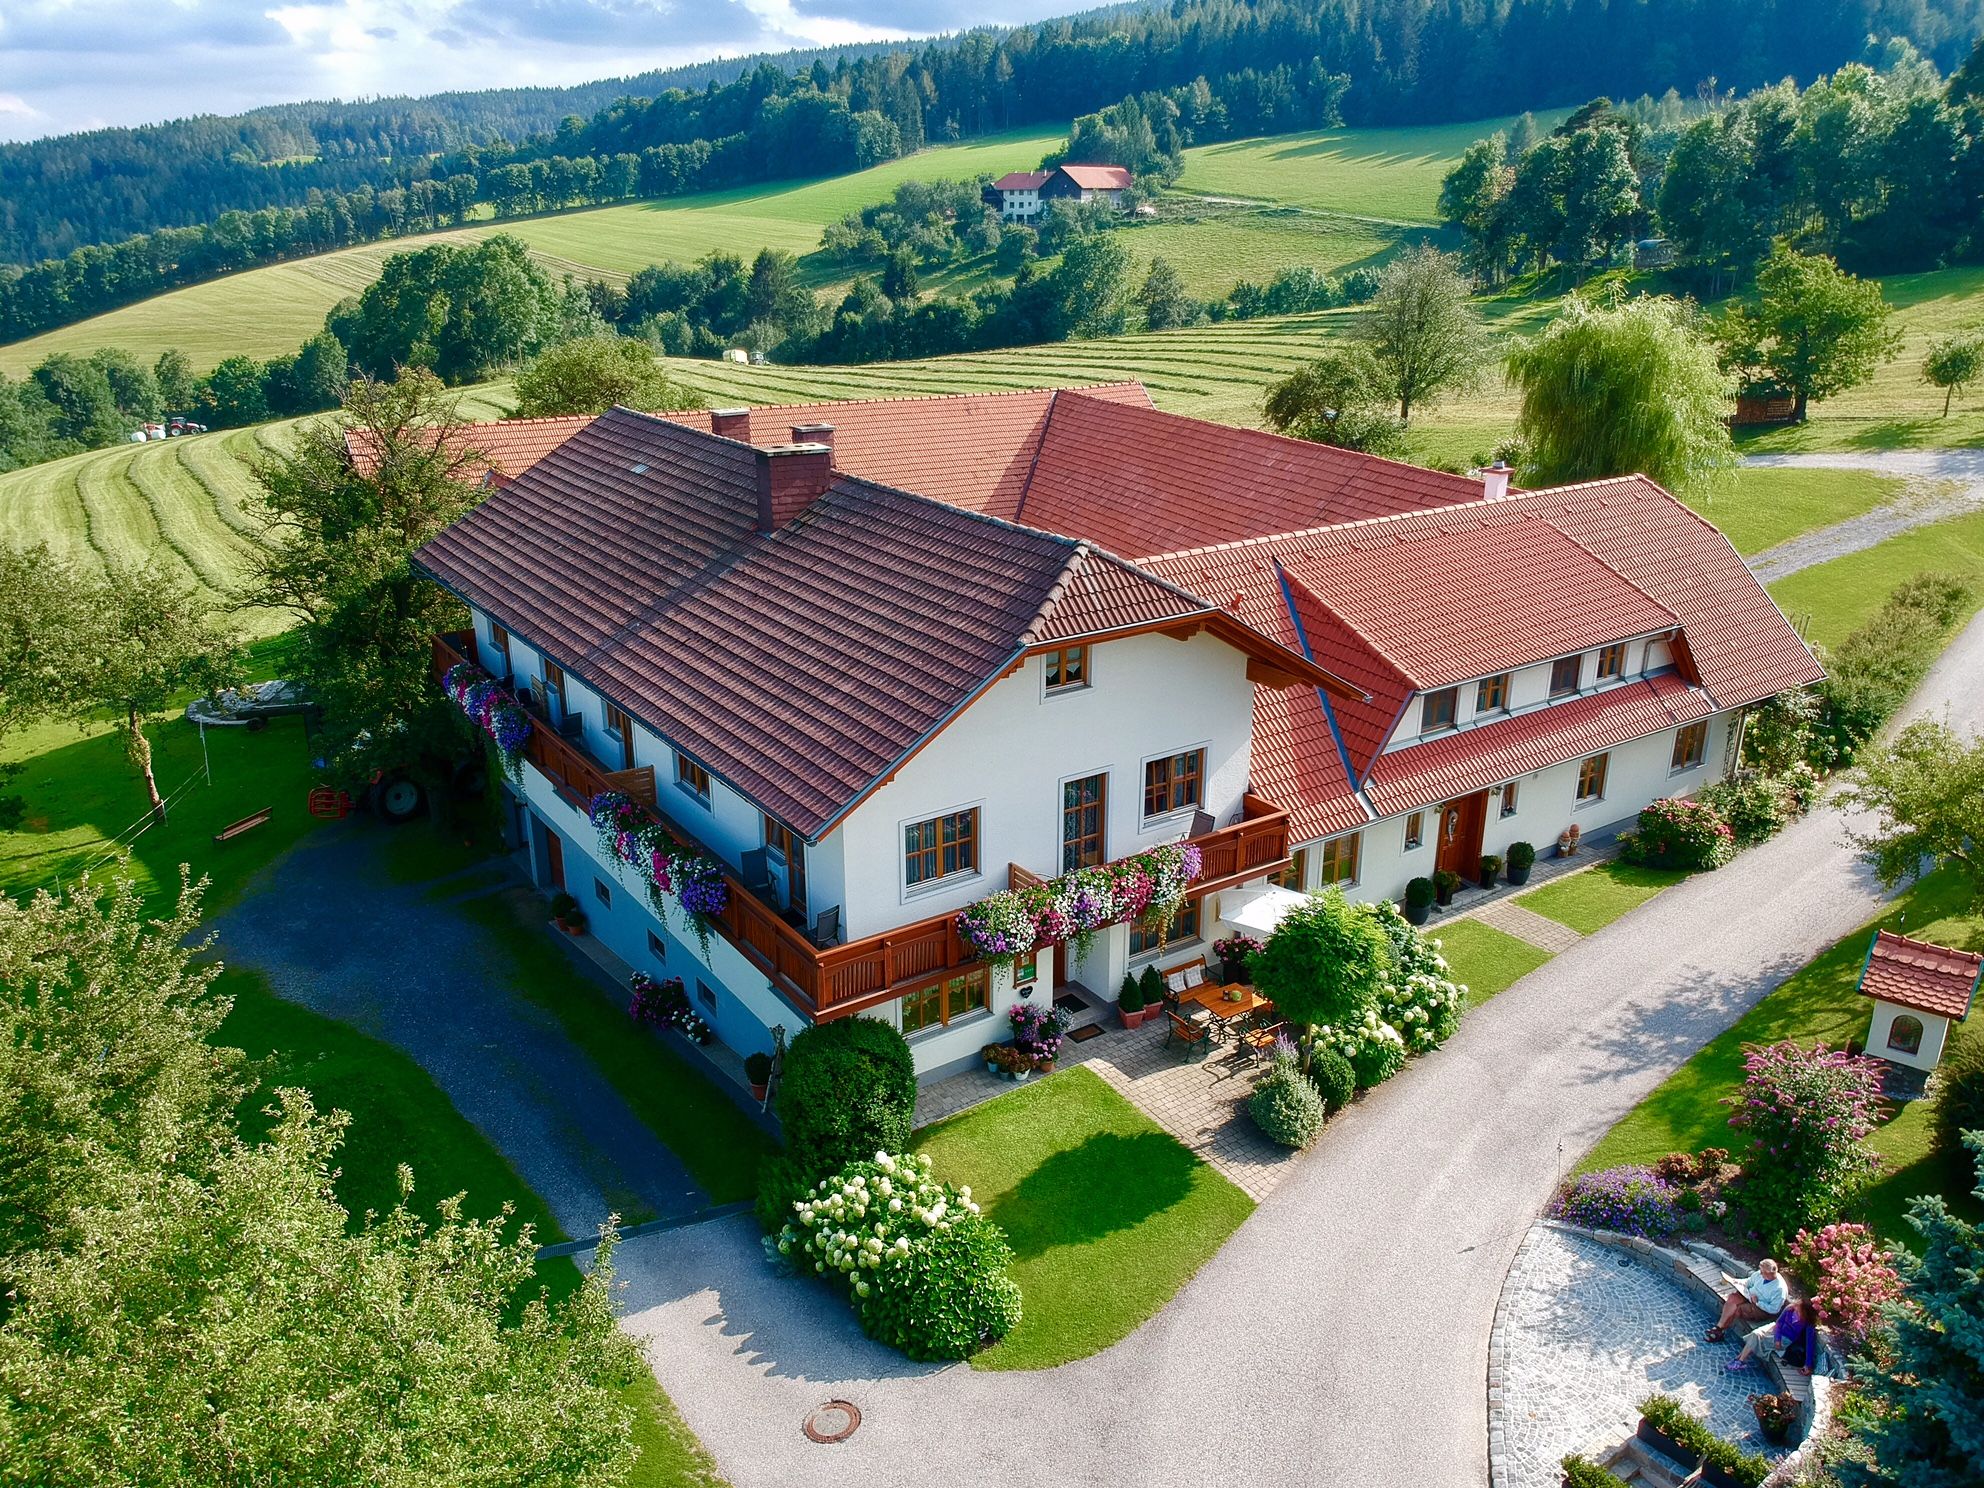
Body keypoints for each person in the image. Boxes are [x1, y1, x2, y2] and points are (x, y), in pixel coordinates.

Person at [1704, 1258, 1787, 1342]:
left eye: (1762, 1272)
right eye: (1760, 1271)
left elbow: (1774, 1309)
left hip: (1761, 1308)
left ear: (1770, 1274)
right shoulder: (1760, 1274)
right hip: (1749, 1296)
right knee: (1732, 1298)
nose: (1760, 1273)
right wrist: (1736, 1282)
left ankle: (1719, 1331)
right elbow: (1748, 1282)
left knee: (1738, 1309)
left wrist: (1758, 1303)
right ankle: (1719, 1328)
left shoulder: (1779, 1289)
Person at [1727, 1297, 1818, 1374]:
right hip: (1776, 1329)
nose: (1796, 1307)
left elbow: (1809, 1344)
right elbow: (1779, 1323)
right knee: (1756, 1334)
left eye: (1799, 1307)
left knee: (1758, 1338)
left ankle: (1739, 1360)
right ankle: (1740, 1360)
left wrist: (1808, 1364)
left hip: (1786, 1339)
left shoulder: (1808, 1324)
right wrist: (1777, 1338)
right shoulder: (1790, 1309)